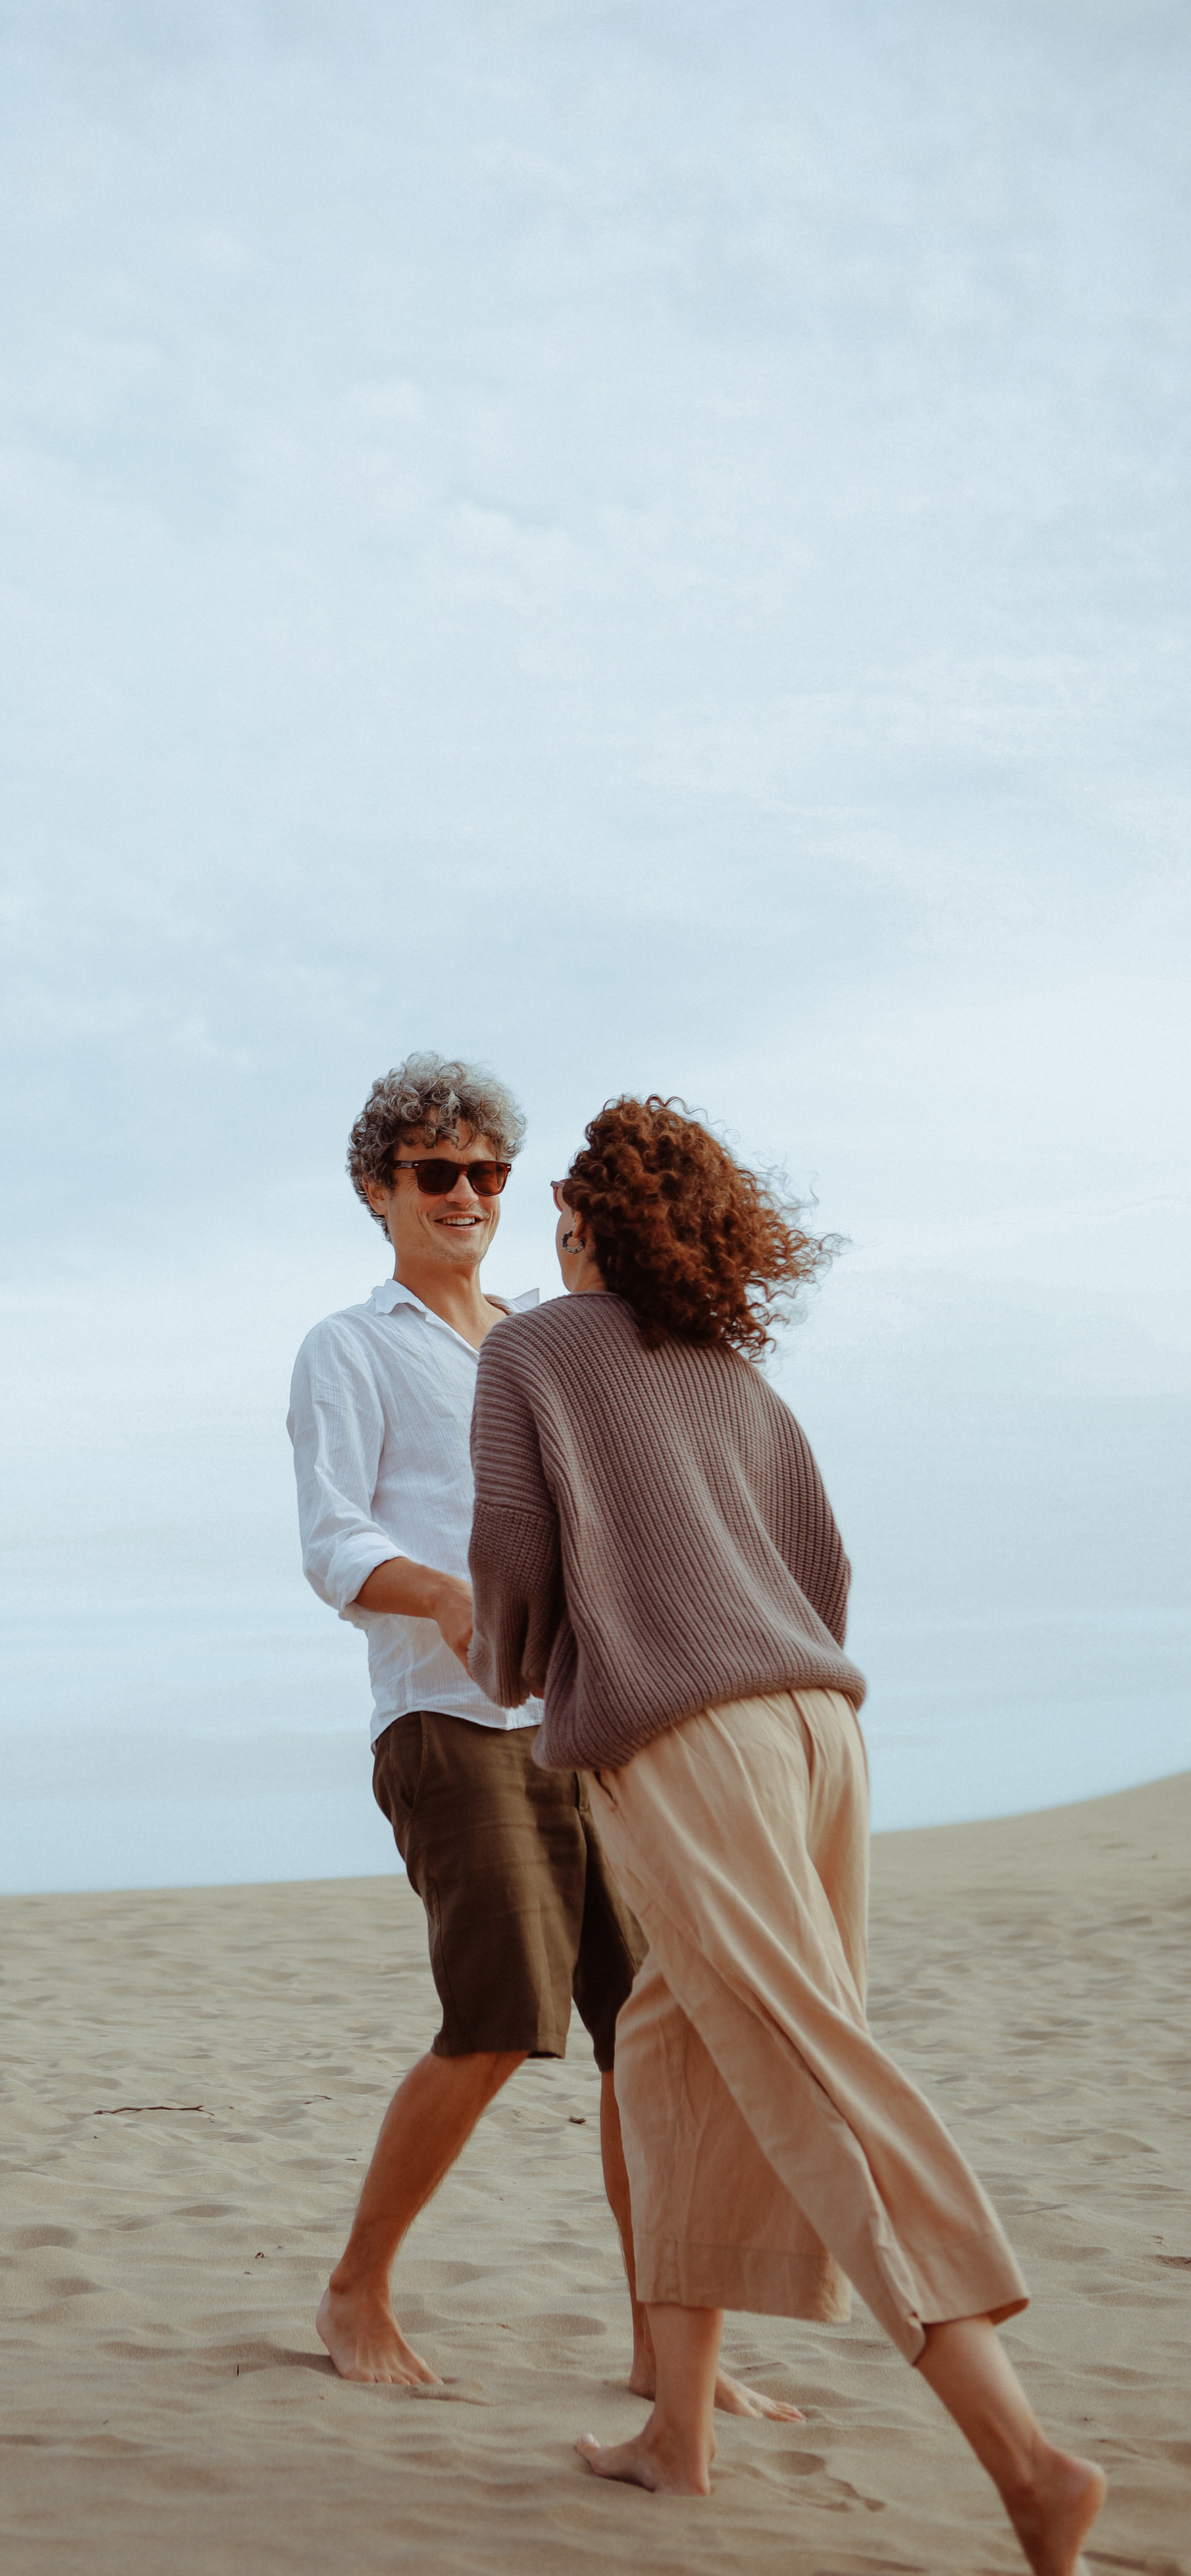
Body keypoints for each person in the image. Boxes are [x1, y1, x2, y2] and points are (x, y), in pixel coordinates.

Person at [465, 1095, 1105, 2575]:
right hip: (814, 1729)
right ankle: (672, 2444)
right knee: (667, 2062)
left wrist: (513, 1663)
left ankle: (1024, 2461)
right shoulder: (735, 1376)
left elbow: (508, 1550)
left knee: (807, 2066)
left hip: (693, 1744)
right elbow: (824, 1563)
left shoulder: (530, 1348)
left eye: (557, 1214)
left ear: (584, 1224)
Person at [288, 1052, 799, 2423]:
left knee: (651, 2045)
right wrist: (444, 1595)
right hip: (449, 1723)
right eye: (433, 1173)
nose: (464, 1194)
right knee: (499, 2015)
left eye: (485, 1173)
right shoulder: (349, 1346)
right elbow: (332, 1543)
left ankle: (666, 2358)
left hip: (589, 1725)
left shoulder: (540, 1337)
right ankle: (354, 2288)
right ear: (376, 1190)